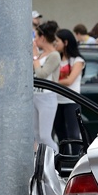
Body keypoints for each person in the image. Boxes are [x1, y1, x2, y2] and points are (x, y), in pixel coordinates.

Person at [54, 28, 85, 155]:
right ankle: (63, 162)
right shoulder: (56, 59)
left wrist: (51, 82)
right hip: (56, 101)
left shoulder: (78, 60)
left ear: (65, 42)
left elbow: (69, 80)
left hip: (71, 101)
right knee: (61, 136)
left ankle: (76, 160)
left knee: (73, 134)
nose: (55, 44)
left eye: (57, 41)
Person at [32, 21, 61, 153]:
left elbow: (42, 74)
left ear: (43, 38)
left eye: (37, 37)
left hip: (47, 97)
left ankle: (56, 157)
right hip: (35, 96)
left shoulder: (54, 55)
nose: (35, 40)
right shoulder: (40, 55)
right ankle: (42, 164)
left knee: (45, 135)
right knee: (36, 135)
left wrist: (34, 57)